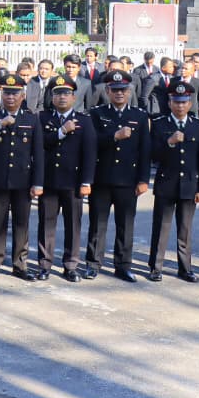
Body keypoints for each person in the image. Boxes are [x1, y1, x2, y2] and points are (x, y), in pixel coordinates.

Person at [0, 72, 44, 281]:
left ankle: (20, 265)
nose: (10, 97)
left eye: (15, 93)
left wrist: (38, 182)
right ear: (1, 95)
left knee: (22, 224)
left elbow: (38, 153)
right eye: (7, 93)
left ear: (23, 95)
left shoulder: (31, 118)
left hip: (23, 179)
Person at [84, 70, 151, 282]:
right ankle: (93, 263)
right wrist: (114, 136)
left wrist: (143, 179)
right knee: (98, 223)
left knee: (126, 225)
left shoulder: (139, 116)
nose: (119, 93)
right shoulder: (97, 114)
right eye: (115, 90)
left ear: (129, 91)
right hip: (102, 178)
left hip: (128, 179)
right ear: (107, 91)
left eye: (123, 90)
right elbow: (91, 144)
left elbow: (145, 150)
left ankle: (123, 265)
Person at [148, 80, 199, 283]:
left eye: (184, 102)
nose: (180, 105)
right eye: (176, 101)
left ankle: (185, 268)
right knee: (161, 228)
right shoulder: (159, 124)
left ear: (190, 103)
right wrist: (169, 142)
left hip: (189, 185)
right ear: (169, 102)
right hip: (166, 183)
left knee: (185, 230)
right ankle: (156, 267)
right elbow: (153, 155)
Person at [37, 75, 96, 281]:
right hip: (49, 180)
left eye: (66, 93)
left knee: (73, 226)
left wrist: (87, 181)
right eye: (58, 93)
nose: (62, 97)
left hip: (73, 182)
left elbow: (90, 153)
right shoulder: (43, 118)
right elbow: (40, 144)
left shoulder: (84, 120)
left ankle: (70, 265)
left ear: (73, 97)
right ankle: (45, 265)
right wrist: (61, 131)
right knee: (47, 224)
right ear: (52, 97)